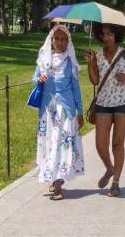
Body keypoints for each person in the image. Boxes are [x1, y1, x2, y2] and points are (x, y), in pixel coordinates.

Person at [85, 23, 125, 197]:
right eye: (103, 34)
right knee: (100, 145)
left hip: (123, 104)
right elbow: (94, 81)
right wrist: (90, 64)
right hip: (103, 103)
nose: (106, 37)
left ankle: (115, 182)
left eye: (110, 34)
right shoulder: (97, 54)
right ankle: (109, 168)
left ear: (116, 35)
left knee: (117, 143)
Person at [33, 25, 84, 200]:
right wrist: (39, 79)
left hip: (66, 111)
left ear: (68, 41)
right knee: (50, 144)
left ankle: (58, 183)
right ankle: (52, 176)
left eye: (64, 39)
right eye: (57, 39)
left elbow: (76, 88)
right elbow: (35, 78)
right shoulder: (44, 59)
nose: (60, 42)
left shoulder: (71, 62)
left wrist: (80, 112)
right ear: (52, 40)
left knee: (62, 145)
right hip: (48, 110)